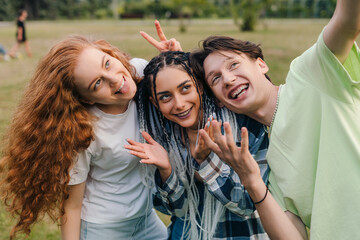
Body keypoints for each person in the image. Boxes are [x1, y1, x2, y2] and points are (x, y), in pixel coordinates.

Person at [190, 0, 360, 239]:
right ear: (219, 101)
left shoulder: (310, 75)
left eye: (234, 64)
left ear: (260, 64)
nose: (227, 79)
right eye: (215, 79)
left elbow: (348, 21)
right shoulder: (270, 163)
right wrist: (251, 181)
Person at [0, 21, 181, 239]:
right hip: (102, 229)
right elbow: (71, 207)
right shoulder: (83, 132)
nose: (115, 80)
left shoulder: (140, 71)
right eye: (97, 84)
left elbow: (185, 96)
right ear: (85, 98)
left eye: (107, 63)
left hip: (146, 220)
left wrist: (176, 61)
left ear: (110, 53)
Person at [125, 51, 270, 239]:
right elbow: (175, 211)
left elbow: (246, 204)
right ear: (154, 102)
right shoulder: (162, 137)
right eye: (165, 97)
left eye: (185, 88)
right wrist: (166, 171)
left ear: (199, 86)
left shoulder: (242, 125)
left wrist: (205, 161)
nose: (179, 104)